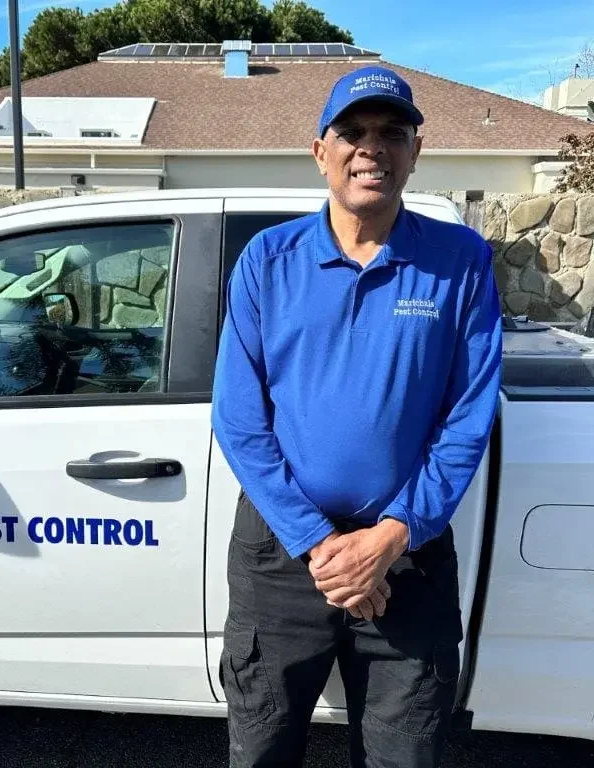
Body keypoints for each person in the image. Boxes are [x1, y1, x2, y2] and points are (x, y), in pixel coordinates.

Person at [211, 65, 502, 768]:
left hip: (410, 559)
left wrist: (389, 539)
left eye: (391, 132)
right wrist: (322, 546)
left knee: (404, 758)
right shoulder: (267, 262)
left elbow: (468, 416)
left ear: (415, 151)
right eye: (353, 132)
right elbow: (240, 420)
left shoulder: (460, 262)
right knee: (262, 754)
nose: (371, 147)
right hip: (282, 556)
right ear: (322, 152)